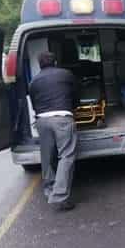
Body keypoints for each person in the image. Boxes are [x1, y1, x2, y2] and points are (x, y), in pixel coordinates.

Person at [29, 51, 79, 211]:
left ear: (39, 64)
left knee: (47, 157)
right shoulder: (66, 74)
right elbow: (76, 95)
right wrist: (73, 107)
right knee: (66, 156)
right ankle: (60, 196)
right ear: (55, 62)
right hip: (62, 118)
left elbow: (34, 104)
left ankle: (49, 190)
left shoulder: (34, 81)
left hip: (42, 121)